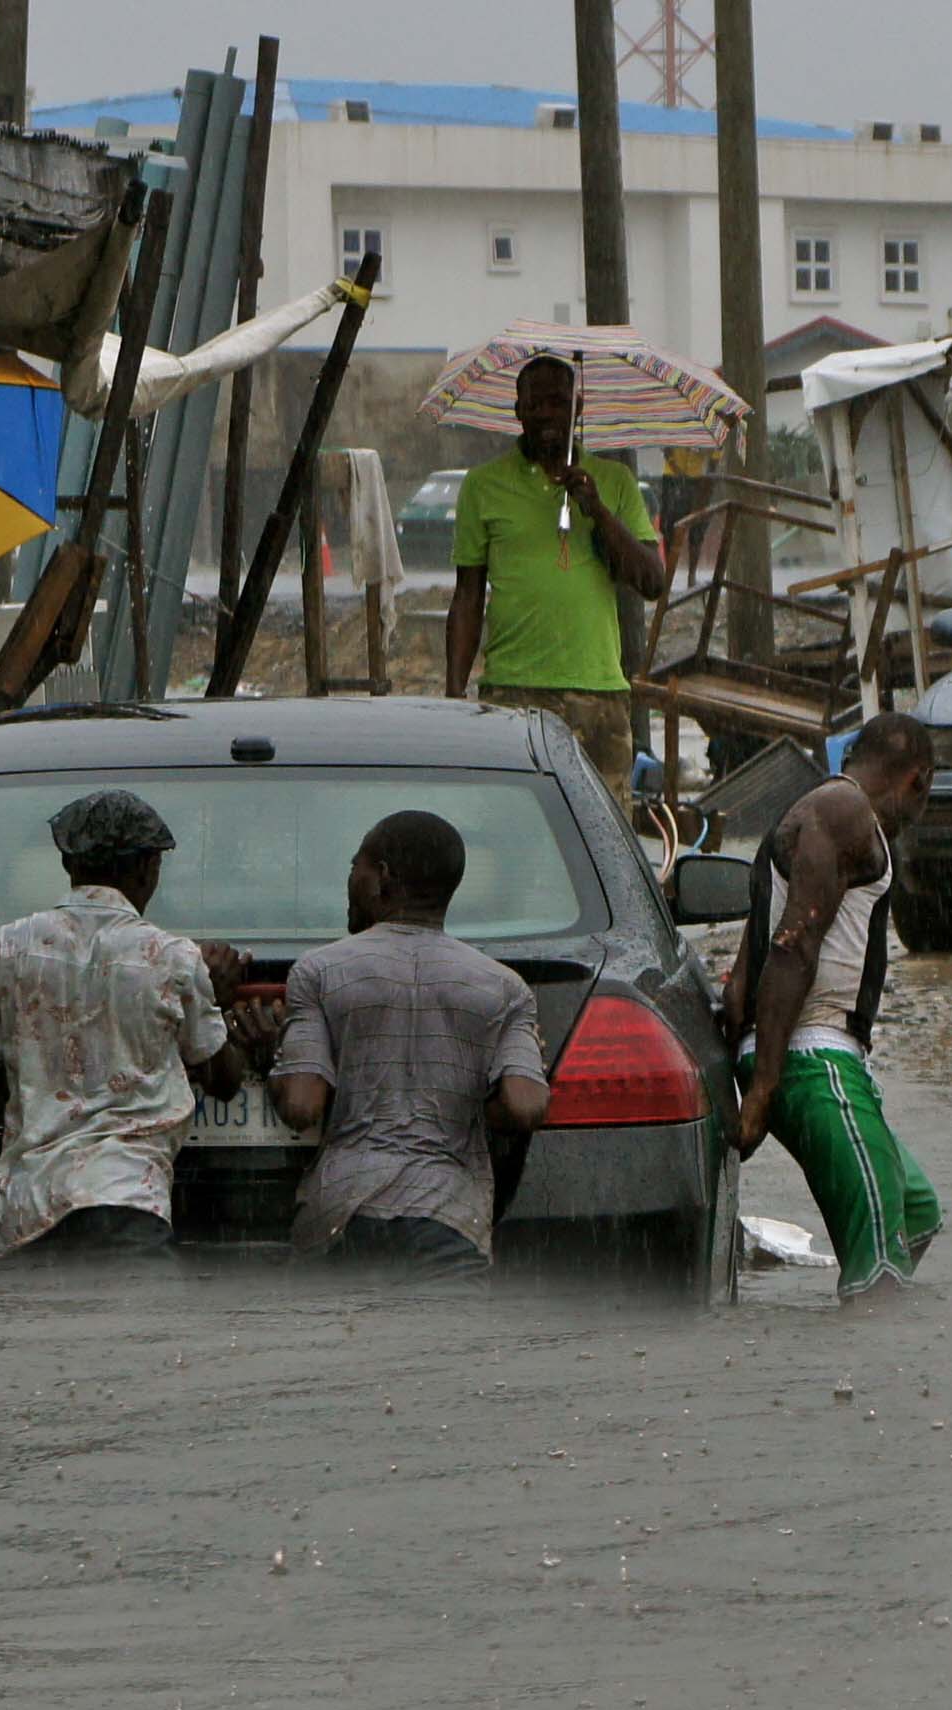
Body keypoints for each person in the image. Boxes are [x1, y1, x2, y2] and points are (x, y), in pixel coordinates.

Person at [0, 791, 261, 1259]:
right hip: (126, 1201)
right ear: (148, 869)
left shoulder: (7, 947)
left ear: (68, 863)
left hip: (28, 1210)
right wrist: (222, 1010)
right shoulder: (172, 958)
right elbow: (222, 1078)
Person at [262, 810, 549, 1277]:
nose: (350, 880)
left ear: (383, 879)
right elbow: (525, 1107)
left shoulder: (319, 972)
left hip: (340, 1221)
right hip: (450, 1220)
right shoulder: (505, 989)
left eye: (356, 866)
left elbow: (300, 1106)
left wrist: (273, 1058)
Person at [729, 711, 941, 1301]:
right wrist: (764, 1090)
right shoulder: (844, 814)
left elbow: (746, 964)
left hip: (810, 1059)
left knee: (918, 1212)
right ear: (918, 781)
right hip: (811, 1059)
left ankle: (872, 1363)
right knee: (880, 1279)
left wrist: (740, 1054)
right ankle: (869, 1375)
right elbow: (794, 946)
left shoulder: (814, 810)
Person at [443, 354, 666, 792]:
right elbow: (467, 596)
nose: (547, 413)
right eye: (536, 402)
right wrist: (455, 694)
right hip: (512, 693)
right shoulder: (482, 486)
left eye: (559, 402)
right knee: (511, 829)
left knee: (601, 840)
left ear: (577, 409)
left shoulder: (614, 481)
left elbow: (652, 581)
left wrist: (597, 510)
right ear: (517, 411)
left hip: (598, 694)